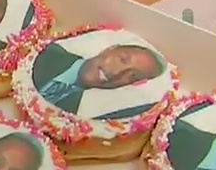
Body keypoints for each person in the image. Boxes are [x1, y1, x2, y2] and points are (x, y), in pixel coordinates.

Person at [32, 41, 163, 117]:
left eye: (133, 76)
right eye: (122, 60)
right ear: (109, 49)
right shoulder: (47, 53)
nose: (117, 72)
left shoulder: (79, 115)